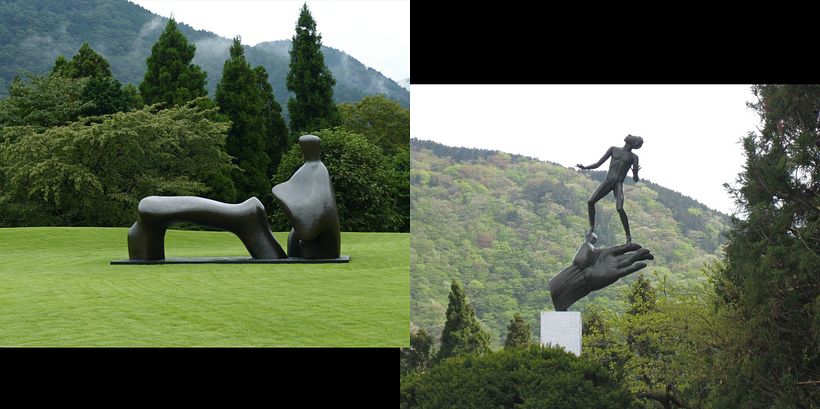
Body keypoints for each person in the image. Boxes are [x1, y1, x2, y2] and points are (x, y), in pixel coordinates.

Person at [576, 134, 643, 243]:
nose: (628, 136)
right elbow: (598, 164)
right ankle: (591, 228)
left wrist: (635, 172)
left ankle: (628, 236)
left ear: (634, 143)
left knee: (620, 208)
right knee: (590, 201)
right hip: (608, 181)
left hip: (618, 184)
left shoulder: (634, 157)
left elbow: (635, 179)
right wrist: (585, 167)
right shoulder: (613, 149)